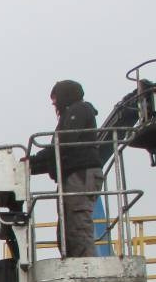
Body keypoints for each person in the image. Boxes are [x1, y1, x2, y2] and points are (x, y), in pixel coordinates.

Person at [28, 80, 104, 257]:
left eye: (55, 97)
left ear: (64, 95)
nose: (53, 102)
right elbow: (58, 150)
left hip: (81, 173)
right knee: (68, 225)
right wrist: (32, 164)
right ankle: (76, 261)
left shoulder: (79, 110)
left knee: (77, 222)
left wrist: (34, 160)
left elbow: (63, 143)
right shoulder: (72, 114)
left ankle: (87, 266)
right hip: (74, 174)